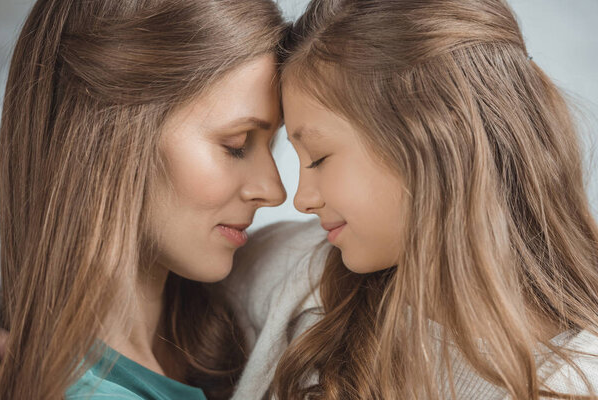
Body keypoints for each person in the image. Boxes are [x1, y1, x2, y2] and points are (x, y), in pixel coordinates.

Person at [223, 0, 598, 399]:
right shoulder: (287, 269)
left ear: (440, 140)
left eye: (318, 157)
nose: (302, 199)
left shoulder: (572, 382)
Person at [0, 0, 287, 398]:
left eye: (272, 145)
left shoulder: (231, 334)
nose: (274, 190)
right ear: (112, 140)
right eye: (236, 145)